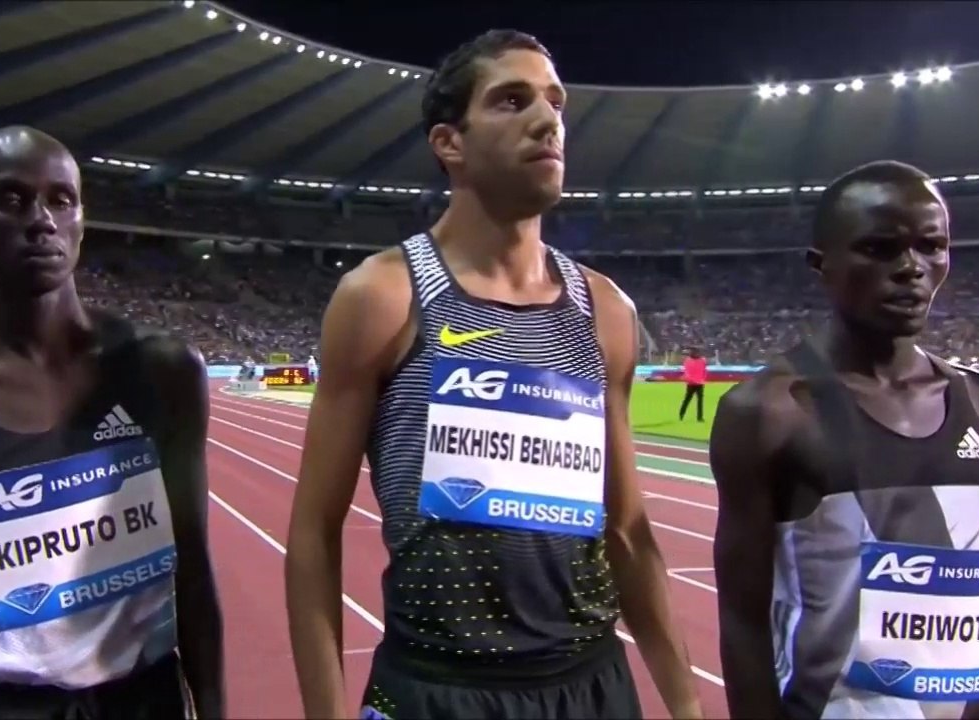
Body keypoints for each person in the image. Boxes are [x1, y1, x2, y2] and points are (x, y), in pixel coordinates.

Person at [286, 30, 702, 720]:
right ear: (450, 142)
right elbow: (311, 534)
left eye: (555, 101)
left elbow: (627, 528)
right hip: (435, 687)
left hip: (590, 682)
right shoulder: (384, 297)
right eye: (512, 100)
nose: (548, 120)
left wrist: (685, 703)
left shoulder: (605, 311)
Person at [0, 126, 223, 720]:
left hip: (144, 700)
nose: (41, 220)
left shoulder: (165, 373)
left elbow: (194, 570)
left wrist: (212, 709)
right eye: (11, 199)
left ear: (82, 218)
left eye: (62, 200)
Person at [711, 160, 979, 720]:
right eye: (880, 248)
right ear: (821, 265)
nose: (911, 268)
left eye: (931, 246)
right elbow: (743, 624)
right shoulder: (768, 414)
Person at [678, 347, 707, 422]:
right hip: (692, 383)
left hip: (698, 383)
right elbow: (687, 372)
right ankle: (681, 414)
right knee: (688, 400)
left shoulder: (702, 360)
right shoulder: (688, 361)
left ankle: (699, 417)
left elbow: (704, 371)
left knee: (699, 401)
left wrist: (702, 379)